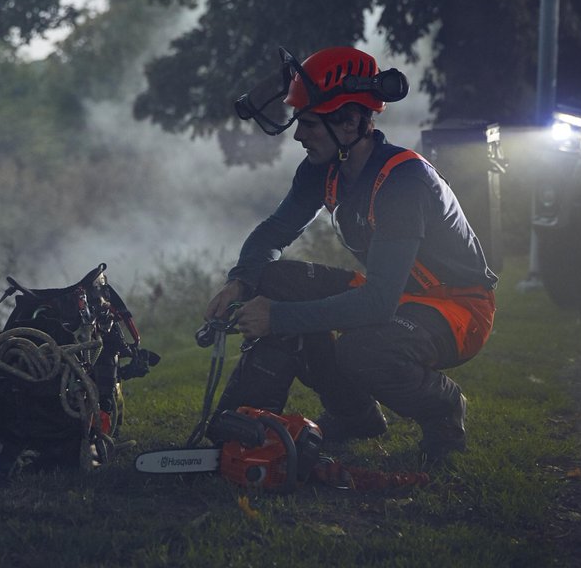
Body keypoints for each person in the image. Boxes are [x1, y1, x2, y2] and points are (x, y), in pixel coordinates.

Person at [206, 46, 497, 460]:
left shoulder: (404, 184)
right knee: (273, 280)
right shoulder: (321, 168)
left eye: (308, 123)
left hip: (457, 307)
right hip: (396, 292)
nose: (298, 135)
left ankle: (443, 410)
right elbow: (273, 231)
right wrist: (240, 282)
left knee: (362, 350)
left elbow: (377, 304)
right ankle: (340, 415)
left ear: (348, 124)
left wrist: (277, 317)